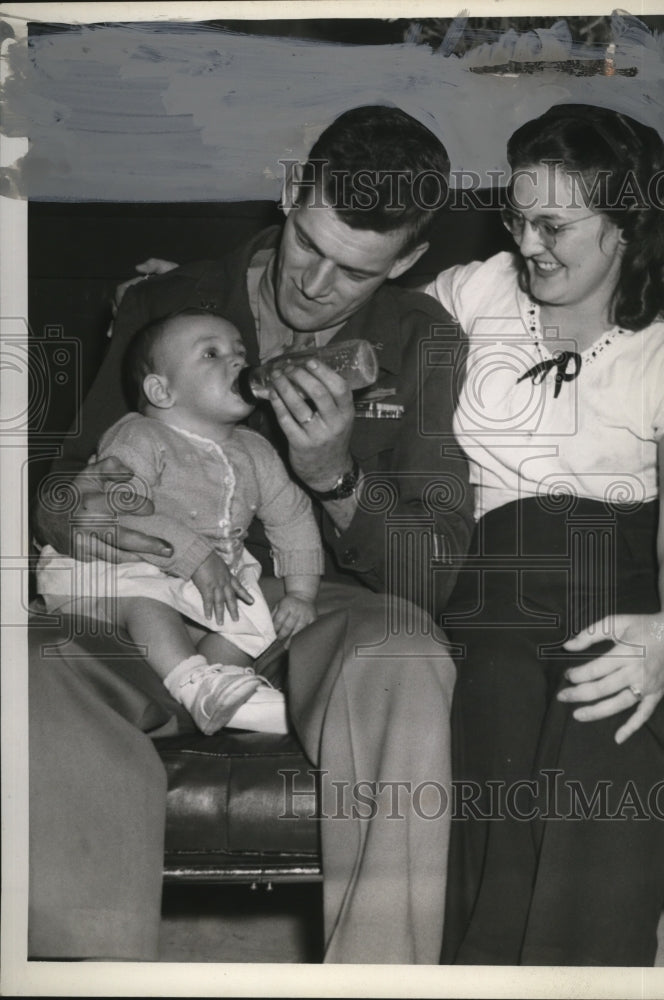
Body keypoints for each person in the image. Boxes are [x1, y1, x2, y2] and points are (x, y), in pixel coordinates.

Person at [29, 106, 473, 963]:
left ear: (409, 260)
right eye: (310, 245)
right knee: (27, 663)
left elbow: (432, 576)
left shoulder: (423, 341)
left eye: (354, 274)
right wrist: (66, 511)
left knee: (407, 654)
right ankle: (90, 973)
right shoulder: (167, 301)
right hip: (149, 599)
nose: (314, 287)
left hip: (317, 608)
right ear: (290, 193)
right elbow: (65, 483)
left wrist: (335, 478)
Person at [425, 104, 664, 966]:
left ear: (626, 227)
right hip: (507, 572)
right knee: (496, 711)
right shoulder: (476, 291)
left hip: (655, 566)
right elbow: (353, 323)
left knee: (606, 732)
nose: (528, 242)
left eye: (554, 224)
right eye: (516, 215)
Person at [36, 309, 324, 735]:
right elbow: (122, 510)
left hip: (207, 575)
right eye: (211, 353)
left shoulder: (256, 451)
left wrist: (301, 593)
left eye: (240, 354)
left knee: (255, 621)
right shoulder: (139, 436)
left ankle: (211, 692)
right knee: (148, 601)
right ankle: (193, 681)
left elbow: (292, 514)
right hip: (119, 571)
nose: (237, 362)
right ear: (161, 390)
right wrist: (196, 558)